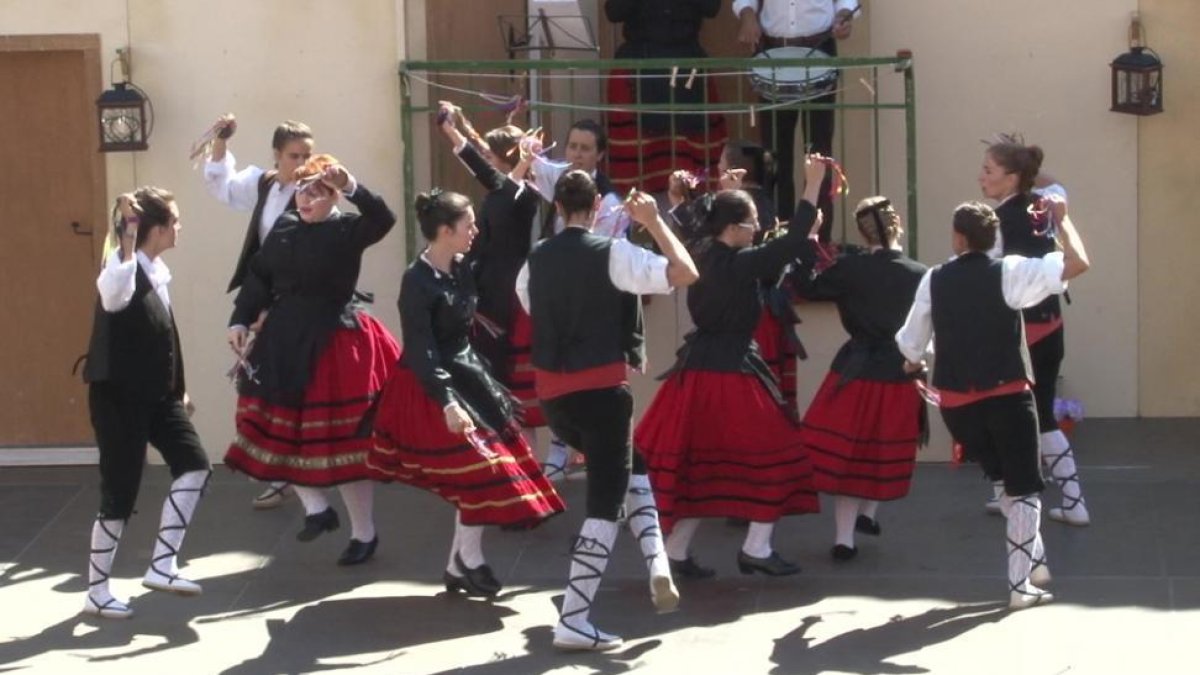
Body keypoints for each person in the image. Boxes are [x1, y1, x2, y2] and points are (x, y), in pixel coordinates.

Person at [517, 171, 699, 650]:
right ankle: (573, 618)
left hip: (554, 400)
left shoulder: (536, 259)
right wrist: (656, 222)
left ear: (557, 208)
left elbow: (533, 306)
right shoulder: (612, 253)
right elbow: (684, 273)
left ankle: (658, 563)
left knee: (631, 466)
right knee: (604, 503)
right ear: (596, 206)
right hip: (601, 393)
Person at [636, 154, 826, 582]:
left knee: (697, 467)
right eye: (752, 222)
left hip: (697, 373)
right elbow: (796, 239)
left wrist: (719, 189)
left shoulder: (701, 252)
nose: (758, 229)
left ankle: (677, 552)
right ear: (734, 227)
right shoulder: (741, 264)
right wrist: (813, 182)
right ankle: (756, 548)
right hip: (731, 373)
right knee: (780, 456)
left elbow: (689, 216)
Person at [366, 189, 565, 597]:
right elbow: (421, 349)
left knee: (482, 471)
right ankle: (468, 560)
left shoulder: (463, 266)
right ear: (444, 231)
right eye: (468, 224)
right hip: (430, 386)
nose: (475, 230)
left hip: (469, 374)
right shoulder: (416, 281)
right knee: (478, 471)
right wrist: (448, 402)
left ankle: (459, 564)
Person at [895, 199, 1091, 609]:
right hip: (1007, 399)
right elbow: (1077, 263)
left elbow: (911, 345)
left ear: (958, 237)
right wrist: (1064, 218)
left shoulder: (935, 278)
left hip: (957, 408)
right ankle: (1021, 585)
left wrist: (914, 365)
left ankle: (1035, 564)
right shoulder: (1012, 271)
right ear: (993, 237)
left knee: (1005, 484)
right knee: (1025, 492)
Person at [223, 154, 400, 566]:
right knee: (274, 429)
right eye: (302, 190)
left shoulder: (348, 229)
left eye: (317, 192)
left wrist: (353, 184)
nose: (305, 199)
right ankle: (318, 508)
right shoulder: (284, 227)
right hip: (283, 341)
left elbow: (384, 217)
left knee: (342, 446)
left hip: (332, 342)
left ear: (334, 196)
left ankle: (363, 534)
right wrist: (240, 319)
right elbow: (259, 279)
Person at [81, 188, 211, 619]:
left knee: (194, 464)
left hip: (158, 393)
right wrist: (127, 236)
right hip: (118, 396)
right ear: (155, 229)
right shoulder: (122, 270)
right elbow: (114, 291)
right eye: (174, 221)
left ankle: (163, 563)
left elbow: (165, 337)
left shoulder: (157, 270)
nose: (179, 228)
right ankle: (96, 592)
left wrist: (180, 388)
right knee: (119, 491)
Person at [792, 196, 928, 560]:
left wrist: (809, 240)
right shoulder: (920, 274)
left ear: (862, 230)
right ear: (897, 223)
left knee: (850, 454)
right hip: (899, 369)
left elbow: (806, 287)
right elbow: (930, 328)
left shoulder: (850, 268)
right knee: (881, 449)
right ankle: (866, 516)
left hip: (855, 368)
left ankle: (845, 539)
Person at [202, 115, 314, 510]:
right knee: (268, 384)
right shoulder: (265, 184)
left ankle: (300, 474)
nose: (301, 163)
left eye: (306, 154)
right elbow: (223, 185)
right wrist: (220, 141)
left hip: (302, 301)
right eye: (293, 155)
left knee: (296, 386)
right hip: (268, 293)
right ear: (276, 156)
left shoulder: (317, 192)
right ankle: (282, 472)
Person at [978, 138, 1090, 526]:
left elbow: (989, 280)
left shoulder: (998, 225)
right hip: (1050, 324)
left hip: (1022, 331)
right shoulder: (1046, 201)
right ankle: (1051, 497)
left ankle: (1025, 494)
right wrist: (1022, 168)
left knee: (1017, 414)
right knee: (1035, 412)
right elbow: (1054, 182)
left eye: (990, 170)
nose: (981, 177)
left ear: (1012, 178)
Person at [435, 103, 549, 446]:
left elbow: (492, 170)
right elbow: (474, 157)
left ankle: (525, 464)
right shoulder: (501, 186)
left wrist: (526, 158)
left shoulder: (523, 193)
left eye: (491, 153)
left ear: (504, 158)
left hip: (509, 294)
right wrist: (453, 128)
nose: (486, 156)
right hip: (490, 289)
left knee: (510, 384)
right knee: (491, 377)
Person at [734, 0, 859, 240]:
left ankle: (819, 245)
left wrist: (844, 16)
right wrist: (748, 16)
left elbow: (847, 4)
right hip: (773, 54)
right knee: (774, 157)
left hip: (819, 50)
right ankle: (777, 242)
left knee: (819, 157)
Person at [603, 0, 727, 194]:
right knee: (637, 153)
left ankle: (695, 205)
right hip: (639, 58)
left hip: (686, 60)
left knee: (691, 147)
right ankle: (637, 216)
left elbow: (711, 8)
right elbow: (613, 12)